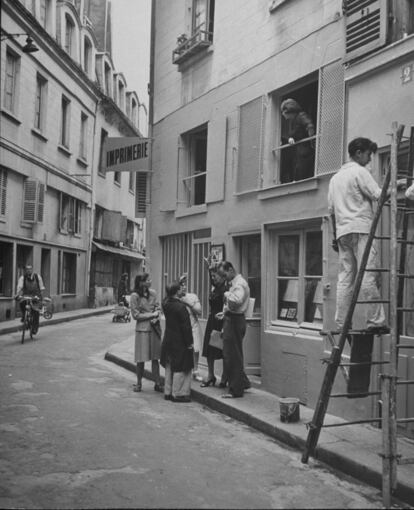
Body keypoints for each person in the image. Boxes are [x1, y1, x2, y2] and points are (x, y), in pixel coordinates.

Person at [328, 137, 403, 333]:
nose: (370, 159)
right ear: (359, 152)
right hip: (361, 229)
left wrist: (334, 237)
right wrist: (399, 186)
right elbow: (379, 194)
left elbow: (331, 211)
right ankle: (376, 321)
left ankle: (342, 322)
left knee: (345, 278)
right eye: (369, 154)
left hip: (343, 232)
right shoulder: (359, 172)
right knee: (368, 275)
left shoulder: (334, 179)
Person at [216, 261, 251, 398]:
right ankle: (242, 382)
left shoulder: (239, 284)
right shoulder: (236, 283)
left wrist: (226, 294)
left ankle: (236, 390)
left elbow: (236, 300)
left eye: (224, 274)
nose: (224, 278)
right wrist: (225, 312)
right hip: (232, 318)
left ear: (230, 269)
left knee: (232, 356)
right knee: (232, 353)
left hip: (235, 321)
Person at [160, 282, 194, 403]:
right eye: (180, 288)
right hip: (179, 340)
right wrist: (189, 342)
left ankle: (168, 392)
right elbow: (186, 327)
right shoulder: (180, 307)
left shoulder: (166, 304)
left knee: (169, 366)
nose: (182, 289)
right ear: (177, 291)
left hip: (169, 338)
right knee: (181, 366)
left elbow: (166, 298)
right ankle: (178, 393)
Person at [129, 273, 163, 393]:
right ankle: (138, 383)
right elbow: (135, 315)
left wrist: (157, 315)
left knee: (155, 358)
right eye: (148, 280)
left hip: (154, 328)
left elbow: (158, 307)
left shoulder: (153, 293)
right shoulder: (134, 296)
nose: (150, 281)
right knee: (141, 359)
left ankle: (157, 383)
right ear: (141, 282)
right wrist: (151, 315)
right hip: (142, 330)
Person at [200, 266, 227, 388]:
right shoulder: (215, 288)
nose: (213, 279)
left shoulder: (225, 290)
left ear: (222, 277)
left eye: (215, 277)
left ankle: (224, 377)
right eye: (212, 277)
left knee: (223, 350)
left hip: (220, 320)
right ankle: (211, 375)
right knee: (209, 349)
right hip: (212, 320)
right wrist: (208, 269)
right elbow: (211, 279)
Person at [280, 98, 315, 182]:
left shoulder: (301, 116)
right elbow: (293, 134)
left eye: (285, 113)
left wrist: (312, 141)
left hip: (306, 150)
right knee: (298, 169)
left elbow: (309, 126)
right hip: (299, 151)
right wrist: (291, 138)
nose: (285, 117)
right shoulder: (292, 121)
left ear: (290, 111)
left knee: (303, 170)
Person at [179, 274, 203, 382]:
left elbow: (199, 311)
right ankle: (185, 371)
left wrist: (188, 303)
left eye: (184, 284)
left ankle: (195, 370)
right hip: (182, 326)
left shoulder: (192, 296)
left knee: (196, 348)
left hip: (193, 324)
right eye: (181, 285)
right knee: (184, 349)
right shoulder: (175, 298)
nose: (183, 287)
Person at [15, 264, 45, 334]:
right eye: (27, 269)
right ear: (25, 270)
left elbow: (41, 288)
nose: (28, 270)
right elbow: (19, 287)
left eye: (30, 269)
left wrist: (40, 296)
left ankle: (34, 328)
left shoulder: (37, 277)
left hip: (36, 296)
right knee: (22, 303)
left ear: (32, 269)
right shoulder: (23, 278)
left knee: (35, 311)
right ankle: (24, 316)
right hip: (26, 295)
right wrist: (18, 294)